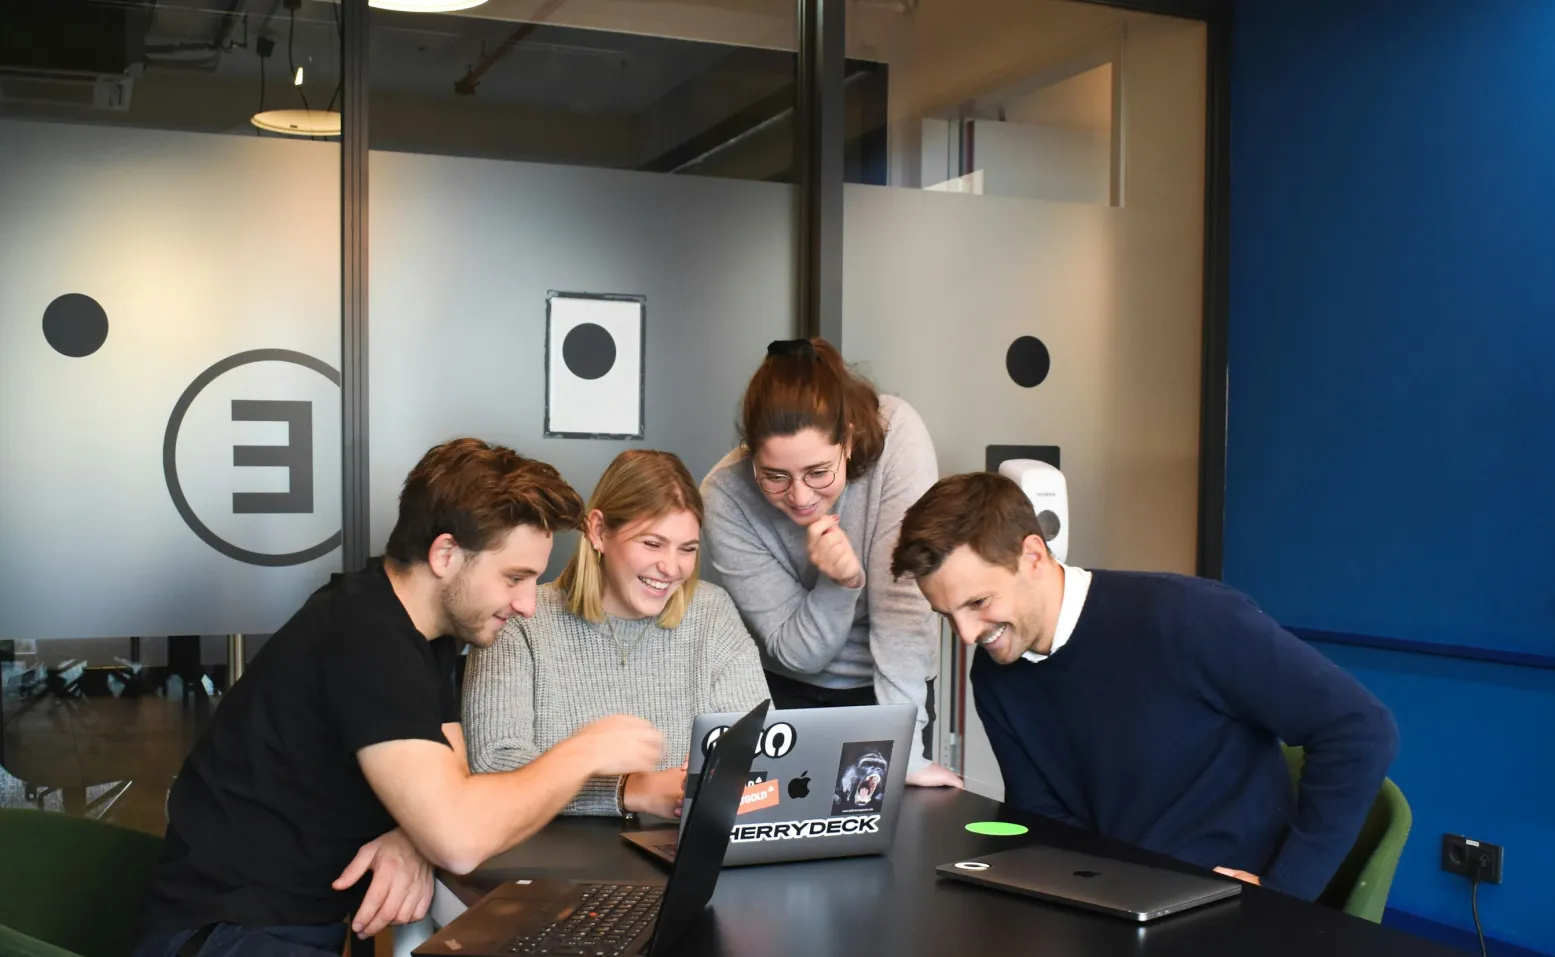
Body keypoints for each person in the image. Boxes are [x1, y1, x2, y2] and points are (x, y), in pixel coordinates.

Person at [126, 439, 664, 957]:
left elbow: (452, 780)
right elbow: (461, 839)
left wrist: (415, 831)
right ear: (444, 554)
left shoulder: (420, 632)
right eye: (514, 577)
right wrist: (585, 751)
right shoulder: (365, 638)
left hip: (278, 940)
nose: (525, 604)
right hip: (212, 952)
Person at [891, 472, 1399, 900]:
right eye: (946, 615)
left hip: (1230, 912)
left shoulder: (1187, 618)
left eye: (978, 602)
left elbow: (1360, 730)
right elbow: (1045, 822)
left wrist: (1285, 892)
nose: (966, 635)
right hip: (1119, 907)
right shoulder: (997, 675)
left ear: (1033, 556)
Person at [702, 337, 961, 788]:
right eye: (775, 477)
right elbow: (797, 652)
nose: (800, 497)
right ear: (751, 455)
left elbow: (904, 607)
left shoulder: (897, 433)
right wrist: (839, 583)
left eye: (818, 473)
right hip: (786, 692)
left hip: (896, 691)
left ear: (849, 439)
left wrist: (906, 753)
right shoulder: (725, 496)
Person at [463, 449, 769, 816]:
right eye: (652, 543)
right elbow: (494, 766)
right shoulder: (519, 618)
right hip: (550, 857)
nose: (670, 568)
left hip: (676, 851)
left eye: (687, 549)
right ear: (598, 531)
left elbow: (764, 758)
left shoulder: (711, 613)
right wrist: (628, 790)